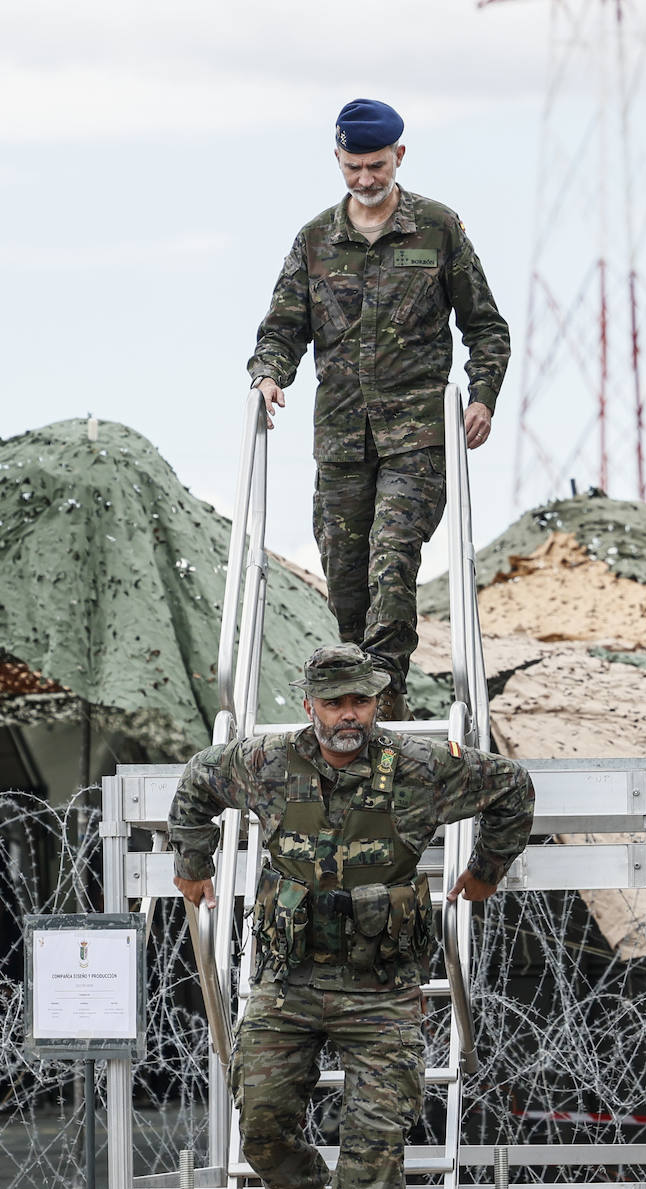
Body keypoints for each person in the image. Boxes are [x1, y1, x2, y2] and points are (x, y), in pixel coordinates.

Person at [167, 643, 534, 1189]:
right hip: (289, 981)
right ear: (309, 705)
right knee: (264, 1123)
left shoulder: (423, 769)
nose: (348, 715)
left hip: (382, 987)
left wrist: (486, 870)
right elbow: (197, 782)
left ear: (376, 704)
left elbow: (511, 787)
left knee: (377, 1132)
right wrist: (192, 862)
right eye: (334, 702)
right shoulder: (267, 765)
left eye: (360, 701)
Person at [248, 98, 511, 722]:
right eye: (353, 167)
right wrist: (267, 376)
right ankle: (357, 695)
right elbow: (281, 329)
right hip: (340, 439)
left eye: (376, 166)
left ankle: (384, 695)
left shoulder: (439, 229)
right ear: (337, 160)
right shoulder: (314, 240)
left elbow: (486, 327)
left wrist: (481, 397)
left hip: (417, 435)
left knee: (393, 556)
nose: (365, 180)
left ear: (400, 156)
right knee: (345, 572)